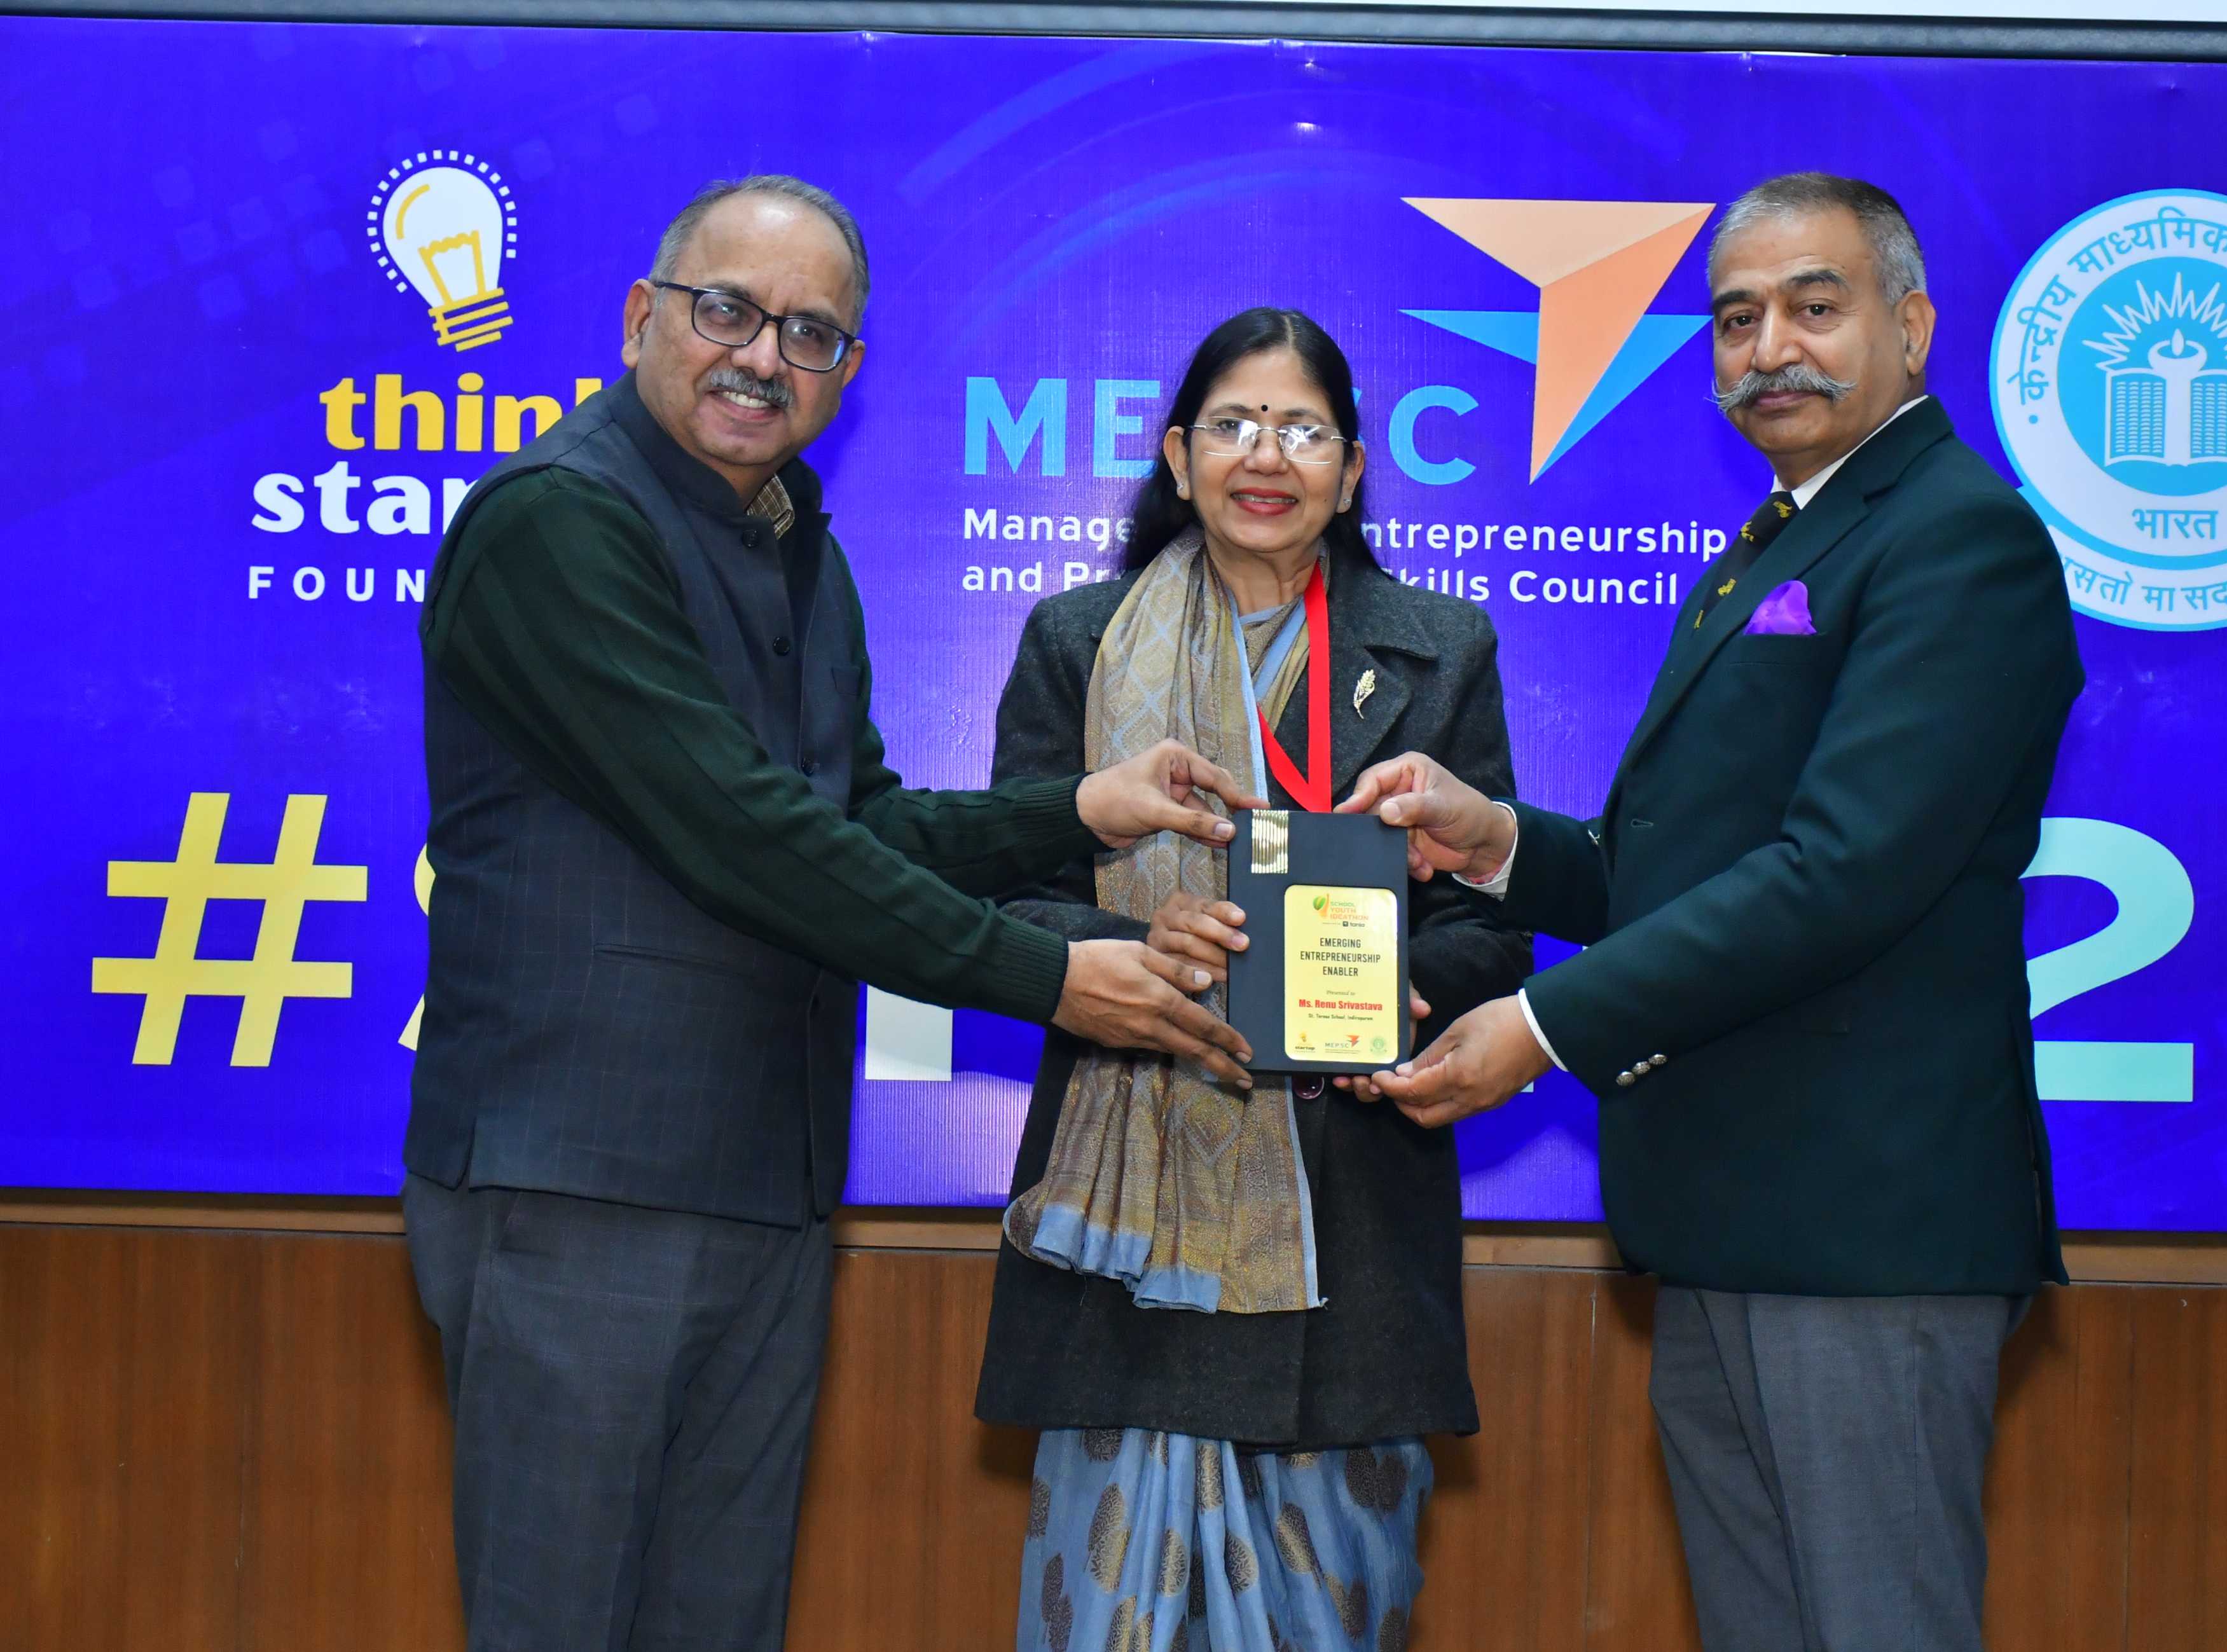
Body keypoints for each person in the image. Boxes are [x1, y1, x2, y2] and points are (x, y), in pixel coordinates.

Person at [401, 174, 1260, 1652]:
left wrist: (1074, 810)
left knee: (718, 1622)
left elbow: (854, 823)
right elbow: (743, 835)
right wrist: (1050, 980)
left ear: (847, 370)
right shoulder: (558, 523)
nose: (761, 357)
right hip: (579, 1181)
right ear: (642, 315)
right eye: (726, 311)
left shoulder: (800, 546)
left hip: (763, 1177)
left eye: (809, 334)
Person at [1343, 174, 2086, 1651]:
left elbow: (1840, 872)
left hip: (1862, 1229)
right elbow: (1681, 868)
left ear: (1910, 327)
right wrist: (1497, 846)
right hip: (1730, 1216)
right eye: (1735, 320)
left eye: (1813, 307)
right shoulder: (1779, 542)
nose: (1768, 350)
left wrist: (1541, 1025)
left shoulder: (1955, 536)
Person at [976, 307, 1531, 1652]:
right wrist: (1124, 948)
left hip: (1350, 1213)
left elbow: (1488, 920)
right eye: (1231, 424)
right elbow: (1007, 889)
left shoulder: (1436, 649)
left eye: (1301, 429)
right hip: (1133, 1219)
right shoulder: (1079, 642)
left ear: (1351, 466)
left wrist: (1399, 985)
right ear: (1177, 458)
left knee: (1328, 1606)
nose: (1264, 456)